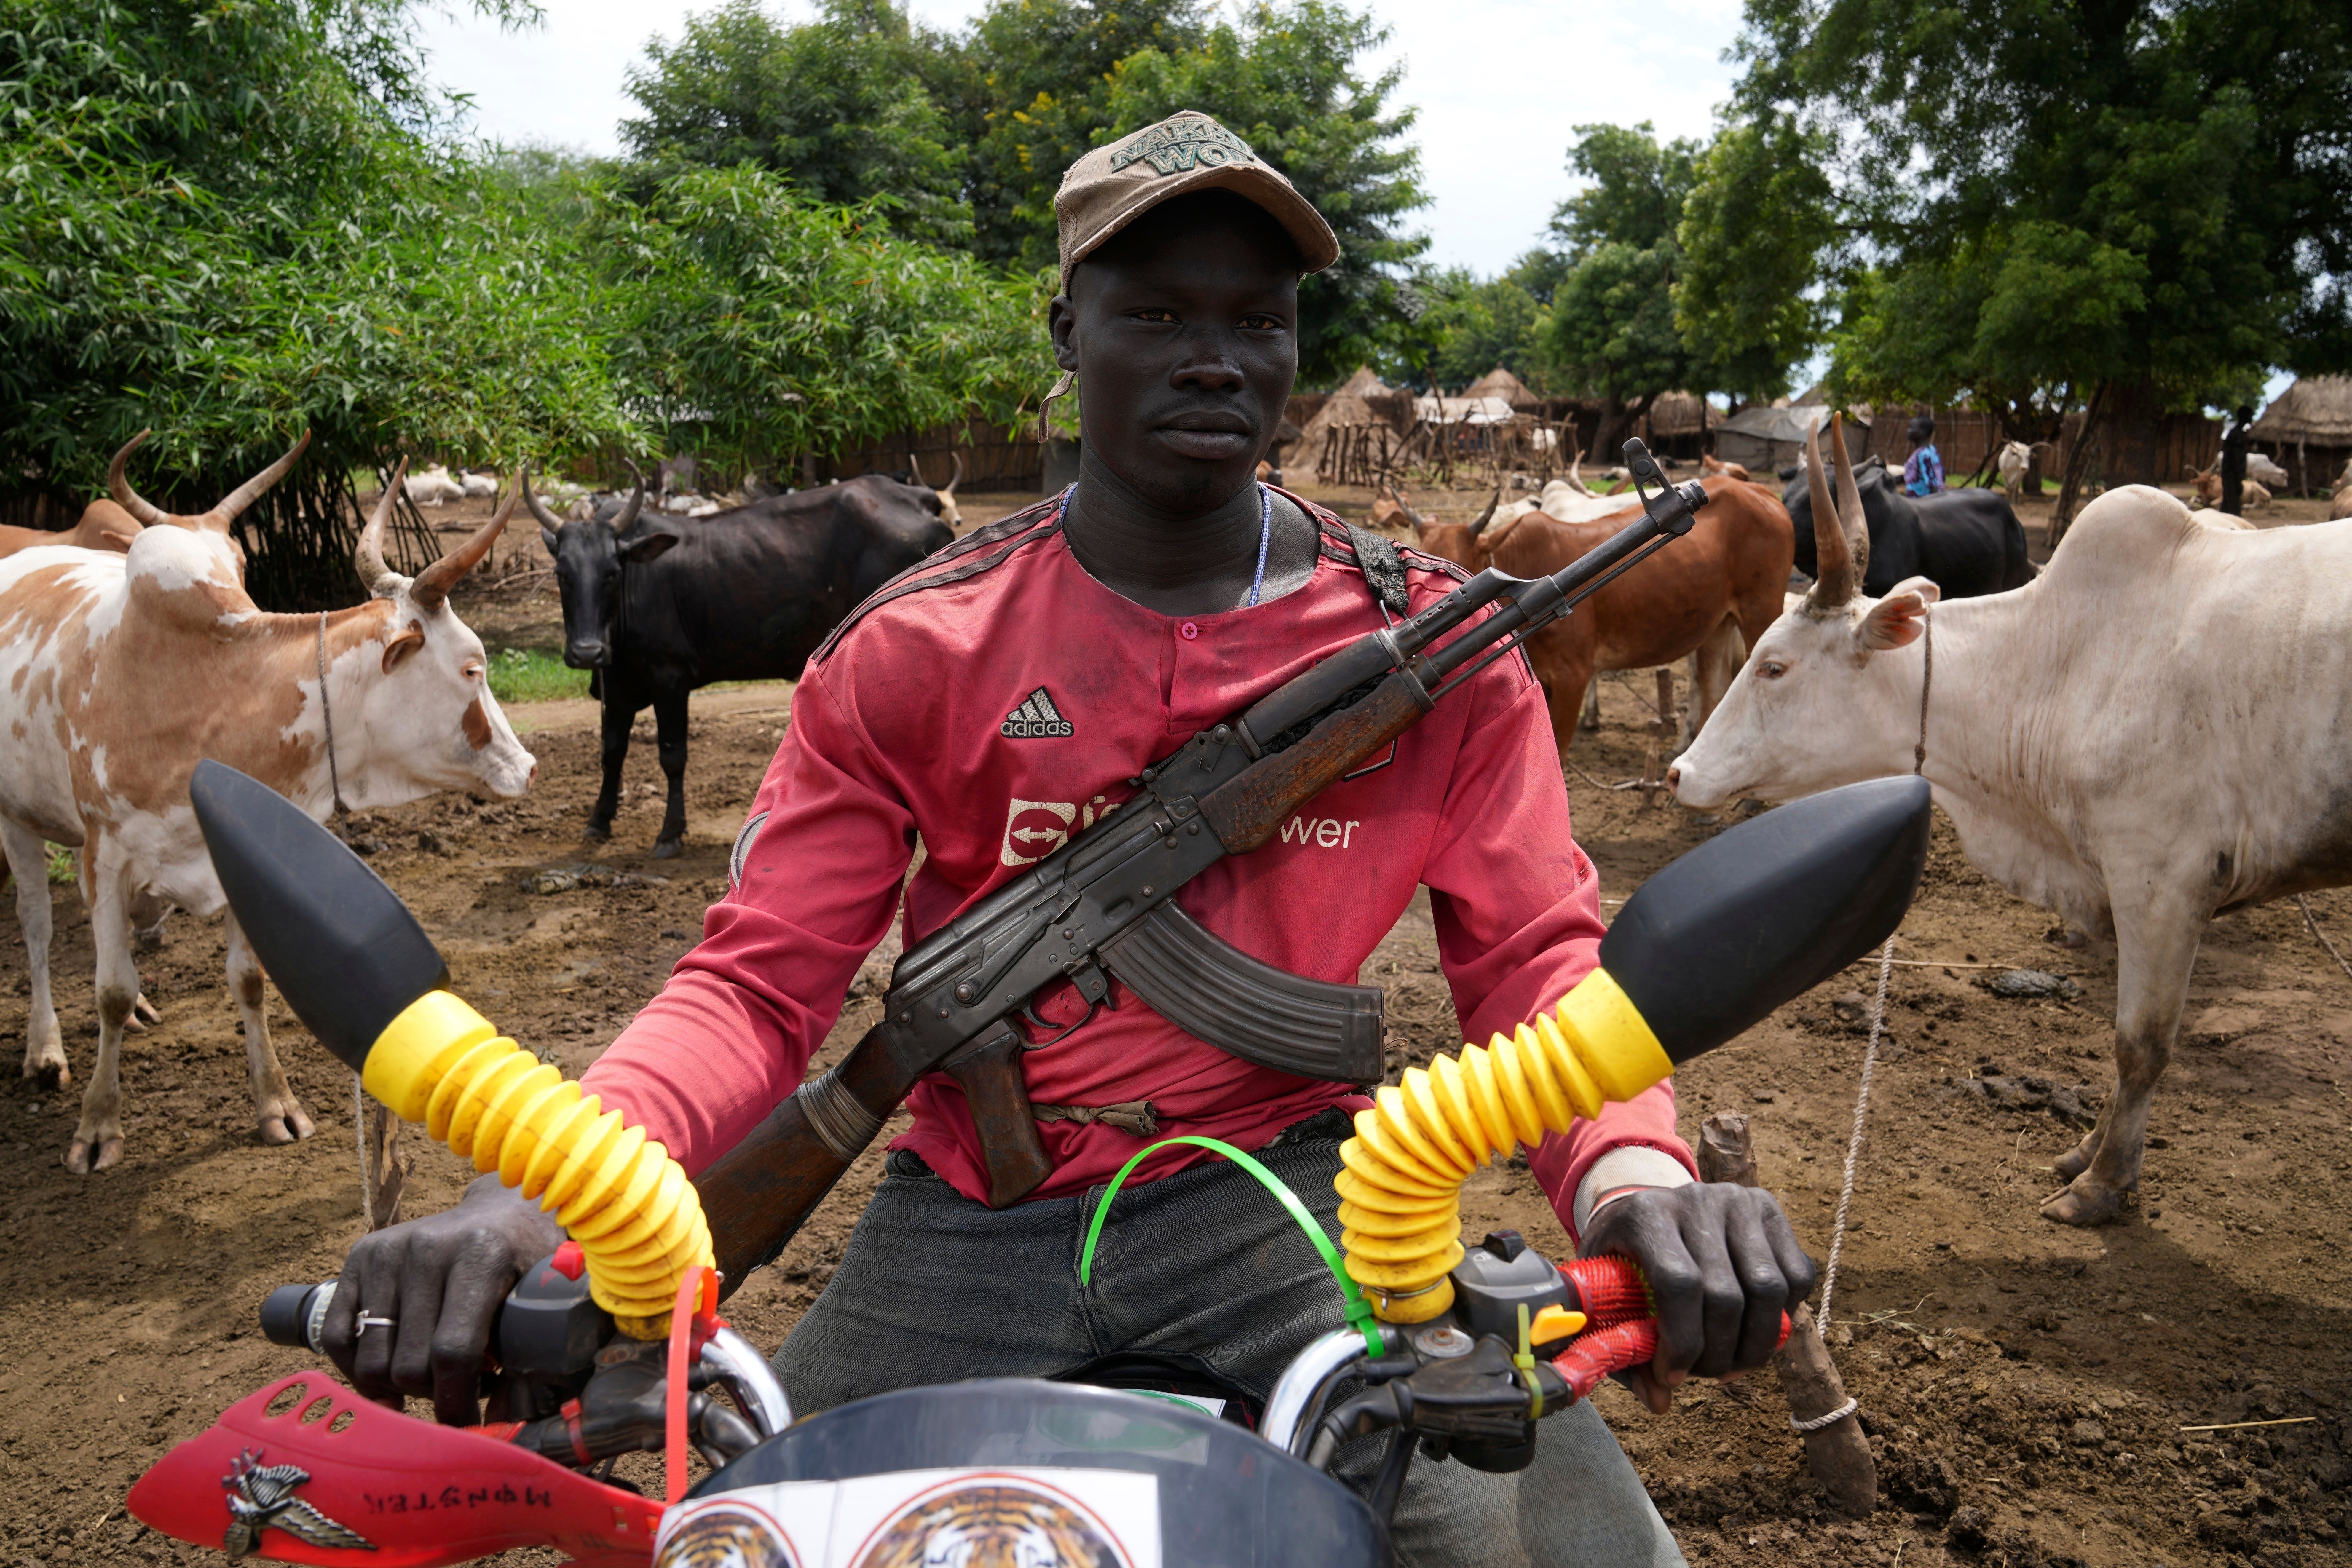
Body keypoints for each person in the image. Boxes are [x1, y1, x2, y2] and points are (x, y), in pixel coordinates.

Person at [320, 111, 1813, 1565]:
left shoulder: (1436, 651)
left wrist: (1635, 1183)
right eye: (1153, 312)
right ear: (1065, 333)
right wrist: (538, 1191)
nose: (1215, 357)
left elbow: (1539, 965)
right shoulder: (913, 648)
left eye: (1257, 318)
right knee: (746, 1524)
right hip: (966, 1217)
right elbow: (756, 986)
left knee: (1550, 1534)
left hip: (1303, 1200)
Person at [1902, 413, 1945, 496]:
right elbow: (1941, 475)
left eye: (1912, 428)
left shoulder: (1923, 455)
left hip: (1921, 502)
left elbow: (1933, 484)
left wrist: (1938, 502)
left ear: (1923, 432)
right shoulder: (1932, 450)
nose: (1908, 431)